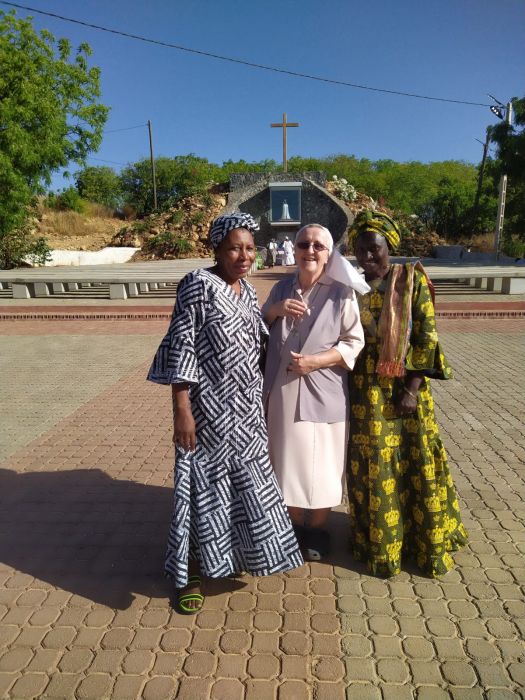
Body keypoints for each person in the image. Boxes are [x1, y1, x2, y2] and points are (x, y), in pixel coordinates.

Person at [148, 213, 303, 613]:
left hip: (247, 411)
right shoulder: (197, 285)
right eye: (235, 248)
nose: (244, 256)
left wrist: (276, 314)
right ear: (216, 248)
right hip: (209, 410)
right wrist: (182, 410)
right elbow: (182, 346)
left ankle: (233, 555)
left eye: (250, 248)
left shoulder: (247, 291)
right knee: (202, 488)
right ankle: (190, 571)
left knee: (248, 484)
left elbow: (256, 338)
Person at [346, 210, 468, 577]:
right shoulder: (353, 286)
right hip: (366, 393)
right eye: (360, 250)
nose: (367, 256)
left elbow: (426, 337)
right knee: (374, 466)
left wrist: (412, 390)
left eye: (374, 248)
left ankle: (423, 542)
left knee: (413, 460)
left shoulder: (410, 280)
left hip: (403, 389)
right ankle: (379, 543)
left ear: (389, 246)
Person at [262, 224, 369, 560]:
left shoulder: (341, 292)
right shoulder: (281, 288)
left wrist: (316, 362)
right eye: (303, 244)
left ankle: (319, 529)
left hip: (323, 390)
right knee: (286, 460)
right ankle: (294, 525)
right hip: (282, 390)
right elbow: (259, 324)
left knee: (323, 463)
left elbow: (354, 341)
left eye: (318, 246)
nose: (310, 251)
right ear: (294, 250)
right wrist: (276, 310)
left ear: (328, 254)